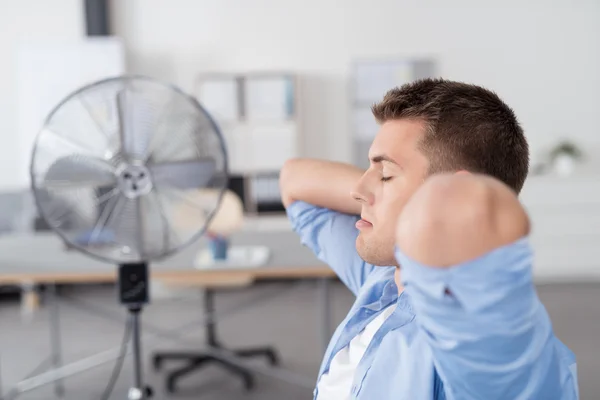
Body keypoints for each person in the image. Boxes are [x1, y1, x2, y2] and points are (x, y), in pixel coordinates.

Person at [279, 78, 579, 400]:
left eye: (385, 175)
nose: (357, 191)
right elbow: (295, 181)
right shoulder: (383, 279)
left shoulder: (476, 340)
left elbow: (514, 378)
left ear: (455, 195)